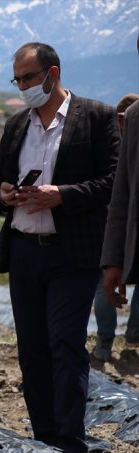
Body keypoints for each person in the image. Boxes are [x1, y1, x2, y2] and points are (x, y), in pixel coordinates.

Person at [0, 42, 120, 453]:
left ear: (53, 73)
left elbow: (115, 181)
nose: (23, 86)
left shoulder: (95, 117)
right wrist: (4, 195)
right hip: (25, 251)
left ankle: (70, 445)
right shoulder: (16, 125)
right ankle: (43, 441)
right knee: (32, 349)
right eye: (18, 79)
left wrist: (61, 195)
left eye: (29, 77)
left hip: (72, 255)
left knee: (65, 345)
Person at [91, 93, 139, 361]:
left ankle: (107, 341)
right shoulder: (122, 137)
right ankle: (117, 337)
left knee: (102, 284)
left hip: (112, 229)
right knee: (104, 284)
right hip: (113, 229)